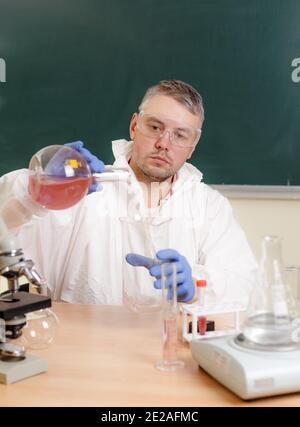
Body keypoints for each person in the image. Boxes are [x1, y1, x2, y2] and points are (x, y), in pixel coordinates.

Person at [0, 80, 258, 305]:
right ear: (134, 126)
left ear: (192, 146)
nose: (163, 144)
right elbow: (5, 228)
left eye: (180, 135)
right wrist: (35, 190)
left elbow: (244, 284)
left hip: (169, 350)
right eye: (155, 127)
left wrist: (195, 287)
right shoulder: (81, 191)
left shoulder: (209, 207)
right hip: (83, 350)